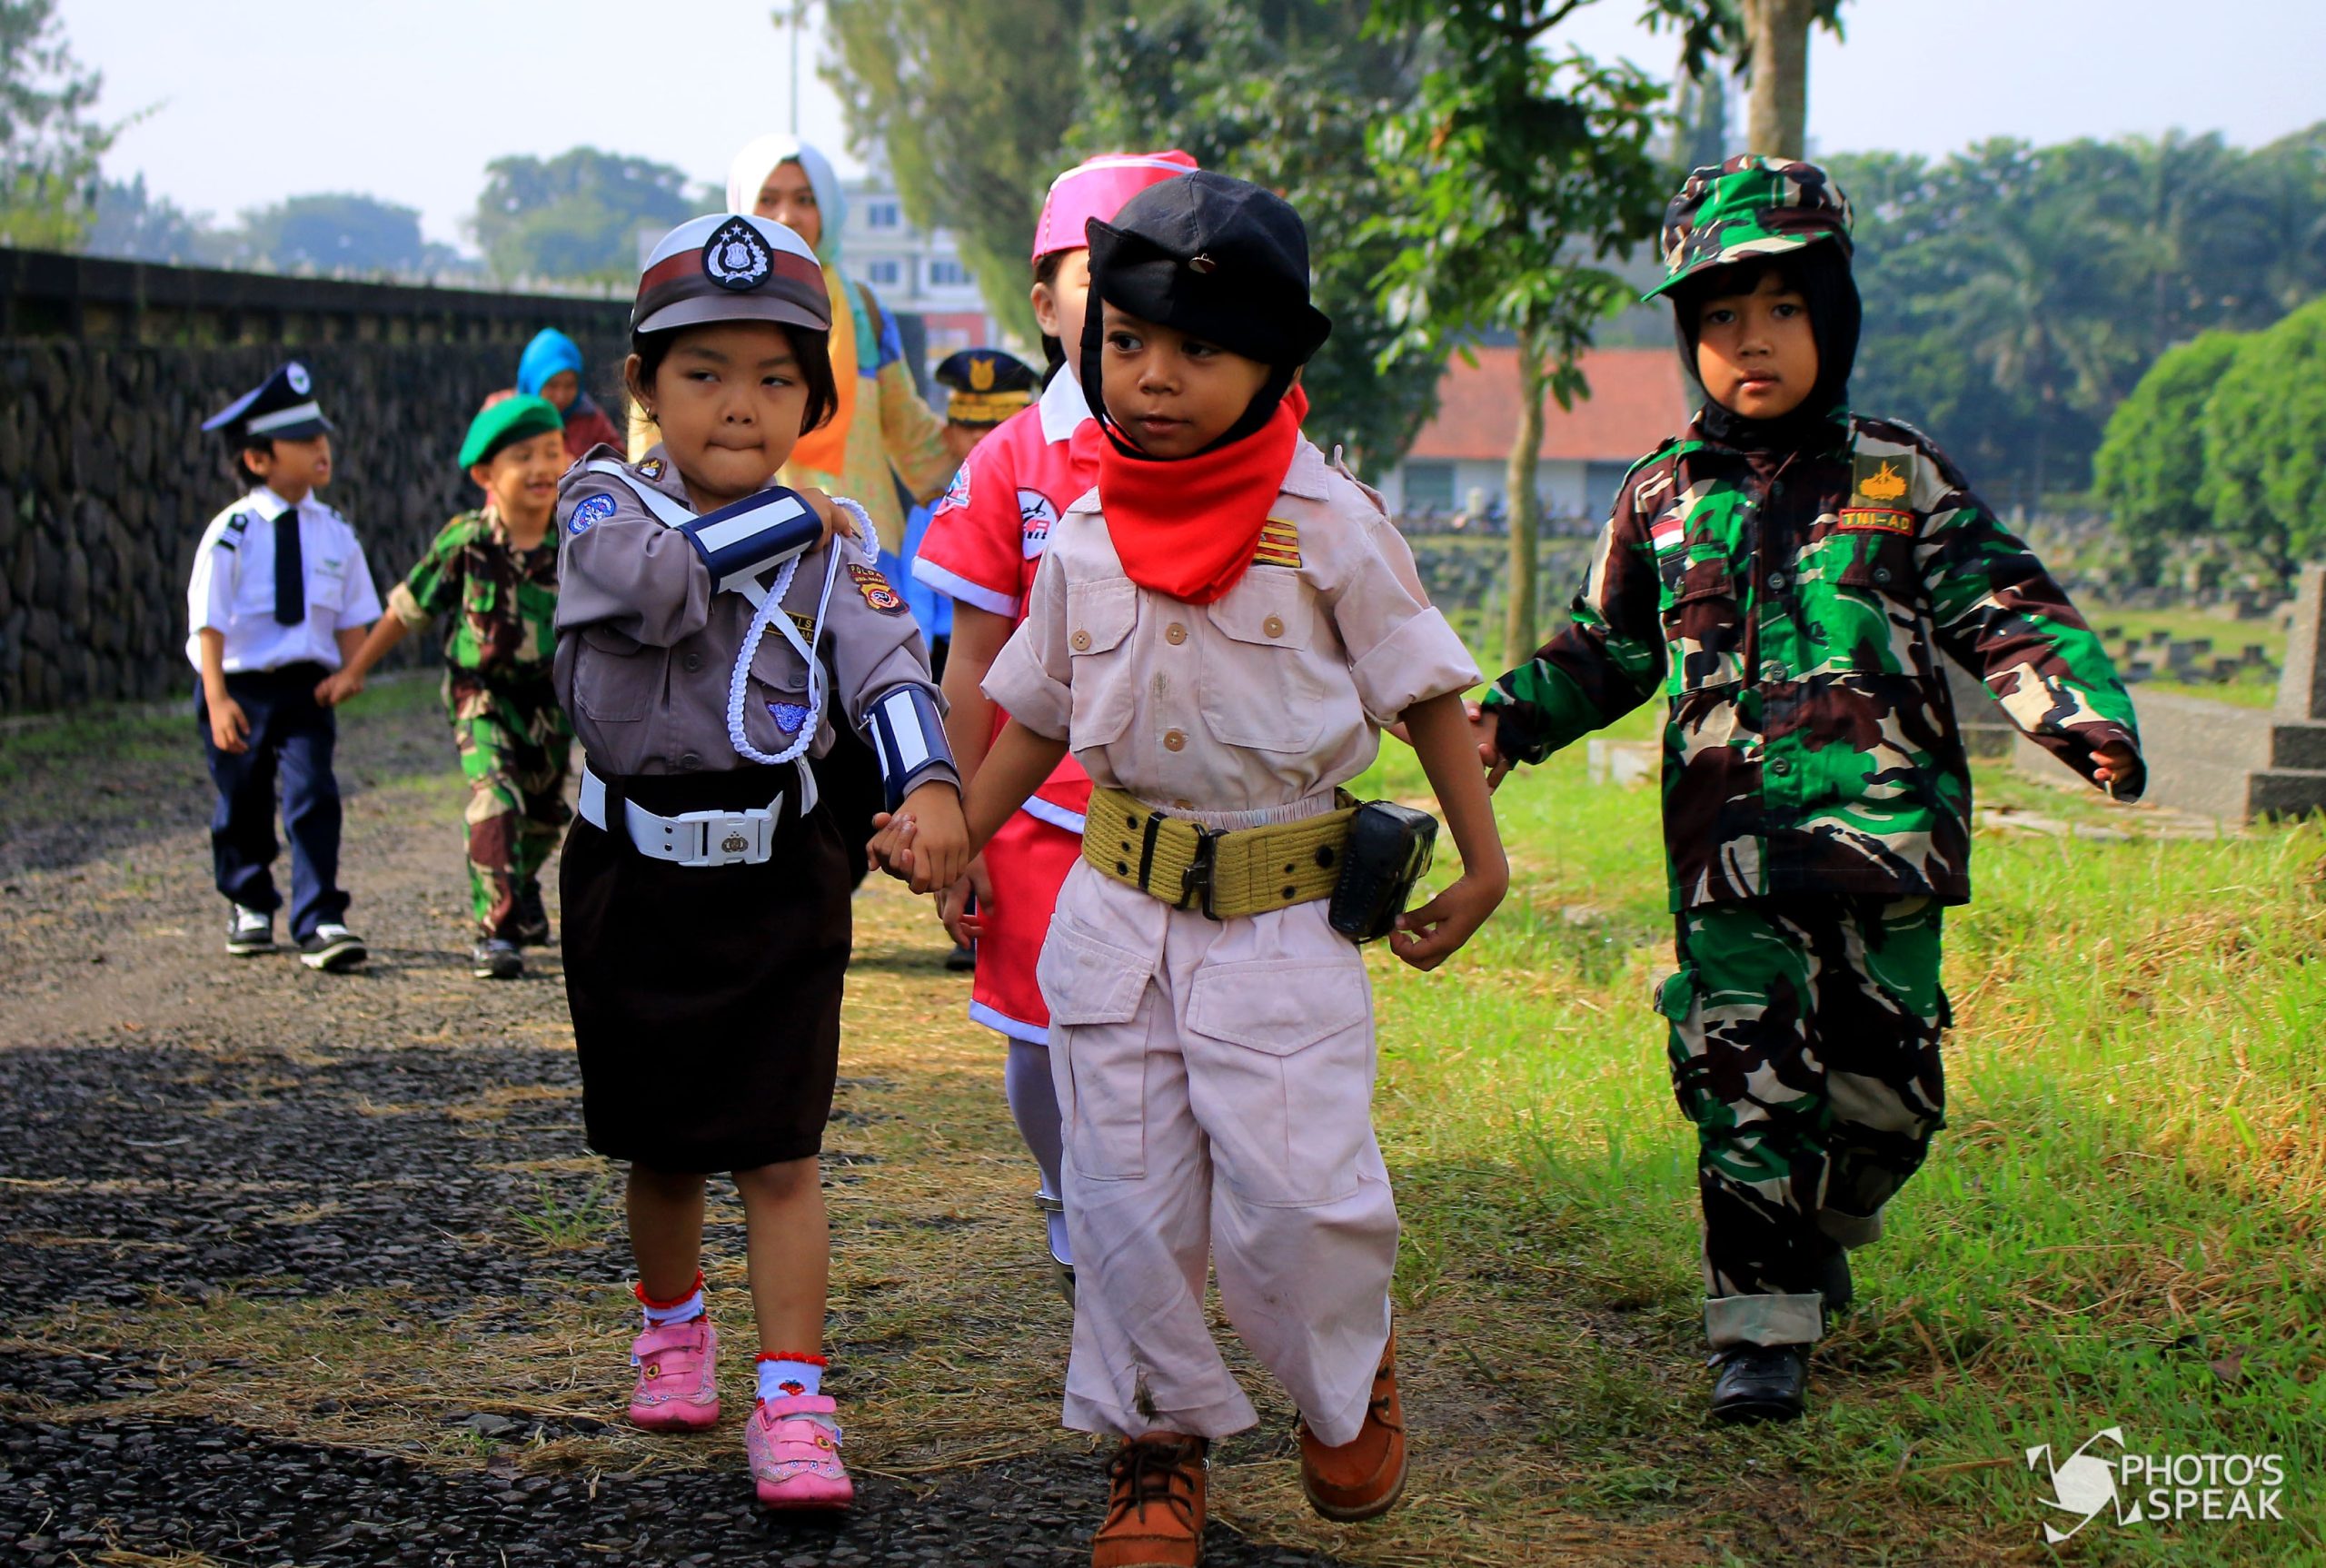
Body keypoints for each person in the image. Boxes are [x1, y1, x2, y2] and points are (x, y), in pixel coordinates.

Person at [879, 172, 1507, 1568]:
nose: (1153, 377)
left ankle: (1345, 1368)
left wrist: (1484, 861)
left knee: (1298, 1200)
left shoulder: (1330, 520)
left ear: (1271, 363)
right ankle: (1156, 1447)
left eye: (1198, 349)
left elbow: (1425, 687)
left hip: (1283, 927)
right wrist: (957, 826)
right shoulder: (1085, 528)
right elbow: (1035, 711)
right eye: (1126, 342)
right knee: (1125, 1202)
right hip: (1116, 919)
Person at [1473, 156, 2145, 1424]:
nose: (1752, 340)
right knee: (1748, 1091)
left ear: (1831, 318)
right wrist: (1508, 717)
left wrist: (2080, 716)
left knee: (1890, 1099)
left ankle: (1824, 1222)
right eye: (1722, 316)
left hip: (1888, 848)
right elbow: (1608, 647)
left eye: (1782, 309)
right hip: (1728, 852)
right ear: (1688, 336)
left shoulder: (1899, 472)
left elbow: (2002, 606)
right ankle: (1760, 1328)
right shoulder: (1661, 494)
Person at [553, 211, 967, 1512]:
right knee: (663, 1145)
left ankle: (795, 1399)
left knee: (783, 1150)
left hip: (778, 874)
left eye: (777, 378)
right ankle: (672, 1324)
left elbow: (889, 666)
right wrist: (795, 516)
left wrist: (931, 786)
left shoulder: (835, 545)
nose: (741, 403)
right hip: (632, 878)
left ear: (813, 400)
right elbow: (655, 583)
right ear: (643, 384)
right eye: (704, 372)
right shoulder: (596, 499)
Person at [909, 151, 1196, 1292]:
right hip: (1035, 820)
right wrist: (959, 826)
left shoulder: (1237, 452)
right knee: (1039, 1047)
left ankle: (1151, 1224)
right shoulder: (1010, 463)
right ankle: (1070, 1195)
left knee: (1173, 1047)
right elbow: (972, 662)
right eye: (1097, 276)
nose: (1129, 302)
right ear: (1044, 302)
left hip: (1191, 820)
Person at [717, 134, 962, 886]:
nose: (789, 215)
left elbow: (906, 427)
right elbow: (658, 422)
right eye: (769, 199)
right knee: (755, 719)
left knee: (856, 731)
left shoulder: (860, 305)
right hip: (750, 553)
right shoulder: (712, 300)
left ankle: (829, 885)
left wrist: (985, 459)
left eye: (805, 199)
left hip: (855, 553)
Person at [318, 395, 573, 981]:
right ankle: (496, 931)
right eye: (523, 457)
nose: (542, 468)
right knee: (497, 799)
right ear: (486, 475)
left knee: (542, 815)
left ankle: (520, 886)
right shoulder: (466, 541)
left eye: (552, 452)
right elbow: (407, 610)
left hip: (551, 700)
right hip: (480, 694)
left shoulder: (577, 540)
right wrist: (355, 670)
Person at [187, 362, 380, 972]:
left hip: (305, 690)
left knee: (313, 794)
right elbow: (208, 623)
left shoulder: (336, 531)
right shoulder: (232, 532)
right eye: (302, 441)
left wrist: (352, 669)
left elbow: (353, 611)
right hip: (238, 687)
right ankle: (249, 901)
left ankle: (320, 916)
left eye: (321, 437)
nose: (321, 448)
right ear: (258, 459)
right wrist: (217, 698)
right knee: (242, 798)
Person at [515, 328, 624, 461]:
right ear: (532, 382)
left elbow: (618, 459)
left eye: (570, 385)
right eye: (552, 385)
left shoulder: (592, 420)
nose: (561, 395)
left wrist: (581, 467)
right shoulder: (509, 418)